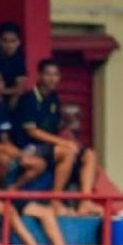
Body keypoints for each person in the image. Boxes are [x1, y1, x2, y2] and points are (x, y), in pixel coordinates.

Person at [14, 59, 102, 216]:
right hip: (29, 148)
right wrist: (64, 143)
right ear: (39, 75)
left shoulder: (54, 99)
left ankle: (86, 202)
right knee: (66, 151)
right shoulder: (28, 99)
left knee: (89, 154)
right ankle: (55, 201)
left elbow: (53, 129)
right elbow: (32, 132)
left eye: (55, 75)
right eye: (48, 74)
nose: (52, 78)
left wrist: (66, 123)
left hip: (49, 147)